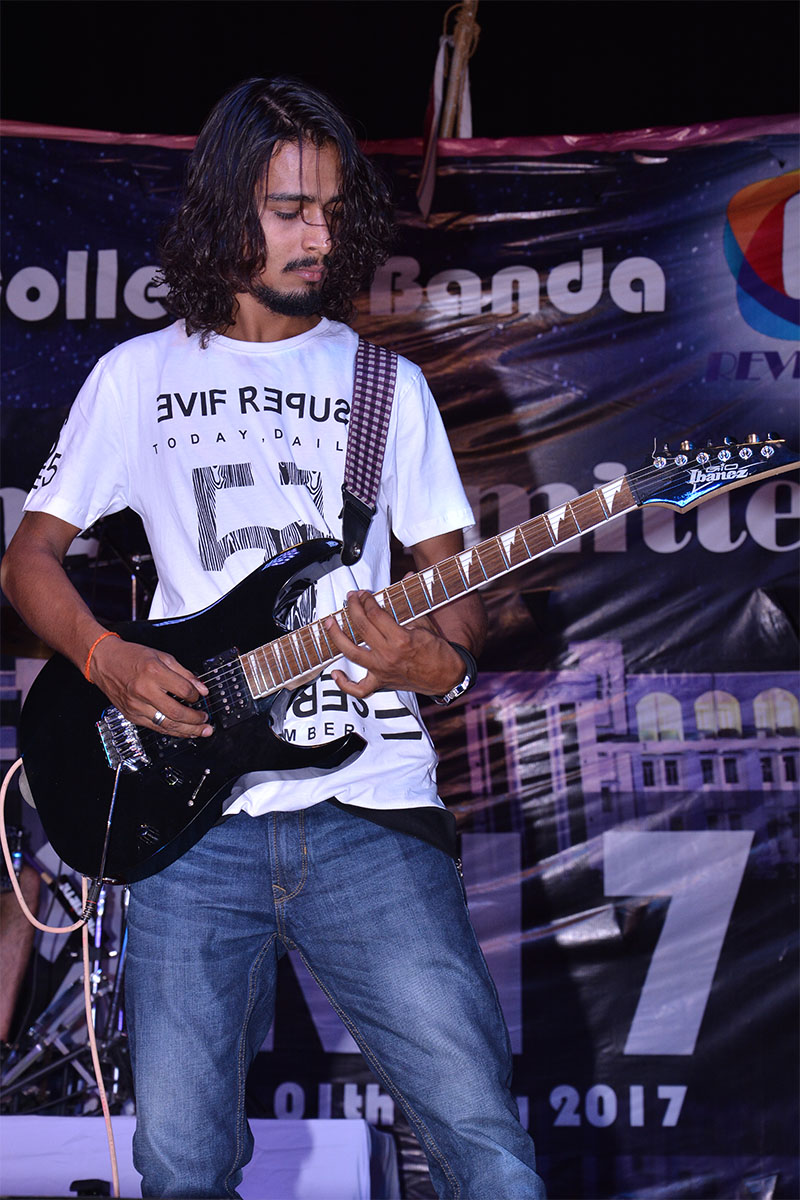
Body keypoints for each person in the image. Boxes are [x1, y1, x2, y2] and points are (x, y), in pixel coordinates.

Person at [1, 77, 546, 1199]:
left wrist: (433, 664)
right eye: (290, 209)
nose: (320, 236)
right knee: (181, 1165)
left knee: (483, 1144)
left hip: (371, 807)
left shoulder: (387, 387)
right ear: (223, 210)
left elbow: (456, 602)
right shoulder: (137, 378)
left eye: (334, 211)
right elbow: (27, 561)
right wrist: (104, 657)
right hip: (190, 829)